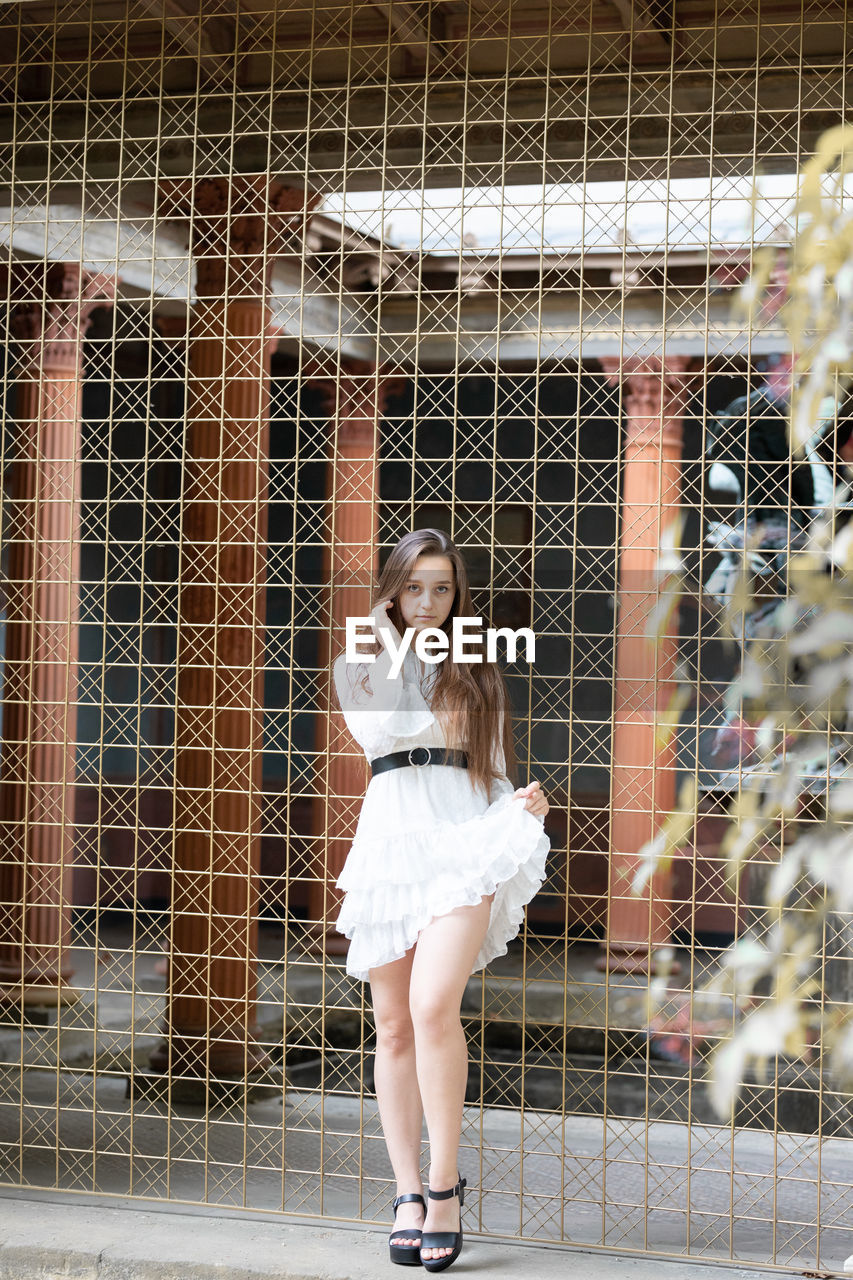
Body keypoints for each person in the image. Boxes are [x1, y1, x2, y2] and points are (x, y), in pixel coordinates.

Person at [331, 528, 551, 1273]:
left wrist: (518, 804)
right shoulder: (357, 665)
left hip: (464, 844)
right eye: (414, 587)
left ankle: (443, 1185)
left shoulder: (477, 670)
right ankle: (405, 1195)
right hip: (392, 848)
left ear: (458, 596)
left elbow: (484, 771)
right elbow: (386, 729)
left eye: (443, 589)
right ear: (391, 590)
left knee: (431, 1008)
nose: (428, 602)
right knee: (391, 1025)